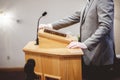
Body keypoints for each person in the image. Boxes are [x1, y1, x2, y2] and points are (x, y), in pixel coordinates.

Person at [39, 0, 115, 80]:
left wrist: (85, 44)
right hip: (89, 56)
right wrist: (50, 26)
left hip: (100, 56)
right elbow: (74, 17)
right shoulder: (89, 1)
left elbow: (105, 26)